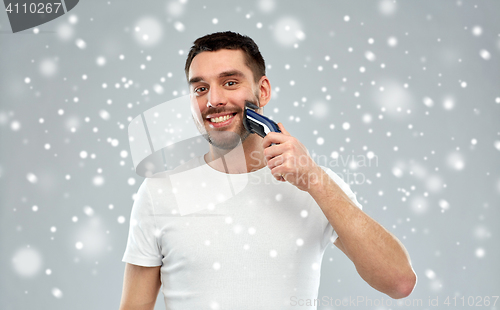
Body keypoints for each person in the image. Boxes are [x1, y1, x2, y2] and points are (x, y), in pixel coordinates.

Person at [119, 31, 417, 310]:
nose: (214, 100)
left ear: (262, 91)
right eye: (200, 88)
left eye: (230, 82)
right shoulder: (160, 192)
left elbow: (399, 282)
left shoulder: (313, 183)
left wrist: (314, 179)